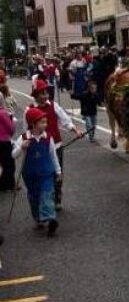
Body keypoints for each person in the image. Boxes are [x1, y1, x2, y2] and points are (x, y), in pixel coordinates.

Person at [25, 79, 81, 210]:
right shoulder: (29, 109)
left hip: (56, 144)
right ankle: (44, 198)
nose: (45, 96)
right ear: (35, 95)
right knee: (42, 173)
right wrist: (25, 145)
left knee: (57, 171)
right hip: (39, 147)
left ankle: (56, 198)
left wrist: (75, 130)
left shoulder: (53, 105)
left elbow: (65, 120)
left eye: (46, 93)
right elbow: (25, 130)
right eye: (42, 93)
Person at [13, 107, 62, 237]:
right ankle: (38, 218)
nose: (45, 125)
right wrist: (22, 148)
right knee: (34, 197)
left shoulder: (48, 138)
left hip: (46, 173)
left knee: (47, 194)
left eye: (45, 122)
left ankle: (51, 219)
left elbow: (53, 155)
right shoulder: (23, 138)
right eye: (42, 122)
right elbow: (13, 155)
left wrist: (58, 171)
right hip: (30, 174)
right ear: (33, 124)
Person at [0, 94, 15, 191]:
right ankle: (7, 185)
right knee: (9, 164)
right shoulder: (2, 113)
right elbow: (10, 128)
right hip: (4, 141)